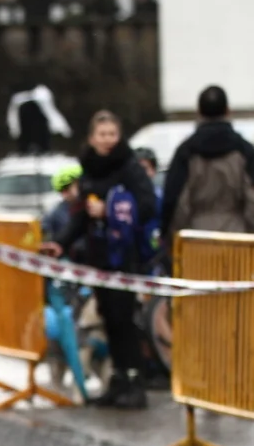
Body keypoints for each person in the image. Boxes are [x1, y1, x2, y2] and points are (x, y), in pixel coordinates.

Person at [41, 110, 157, 410]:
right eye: (102, 134)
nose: (107, 140)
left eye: (112, 134)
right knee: (109, 319)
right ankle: (116, 382)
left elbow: (147, 206)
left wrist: (111, 210)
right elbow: (81, 214)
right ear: (91, 138)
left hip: (125, 255)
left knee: (125, 319)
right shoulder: (88, 168)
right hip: (99, 255)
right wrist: (60, 242)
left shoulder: (130, 167)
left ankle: (134, 382)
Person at [161, 85, 254, 242]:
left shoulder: (186, 152)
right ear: (228, 111)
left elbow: (175, 201)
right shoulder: (244, 151)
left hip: (195, 240)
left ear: (199, 112)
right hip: (237, 240)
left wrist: (172, 237)